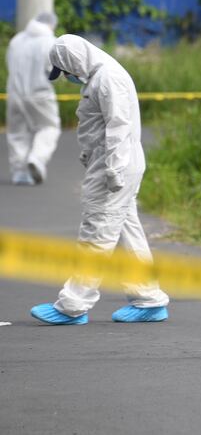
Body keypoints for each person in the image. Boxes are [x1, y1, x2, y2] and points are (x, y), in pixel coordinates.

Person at [29, 35, 170, 325]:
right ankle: (148, 298)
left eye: (65, 70)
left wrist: (114, 168)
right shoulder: (99, 76)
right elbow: (98, 125)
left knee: (96, 233)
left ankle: (72, 306)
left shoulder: (108, 78)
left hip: (113, 166)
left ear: (73, 61)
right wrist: (90, 153)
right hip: (111, 163)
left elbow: (119, 126)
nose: (67, 76)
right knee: (126, 231)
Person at [5, 12, 61, 185]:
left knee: (17, 132)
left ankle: (19, 172)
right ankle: (37, 159)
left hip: (14, 92)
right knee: (49, 127)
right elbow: (53, 71)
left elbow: (9, 64)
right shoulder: (50, 42)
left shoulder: (17, 40)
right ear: (51, 25)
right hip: (40, 93)